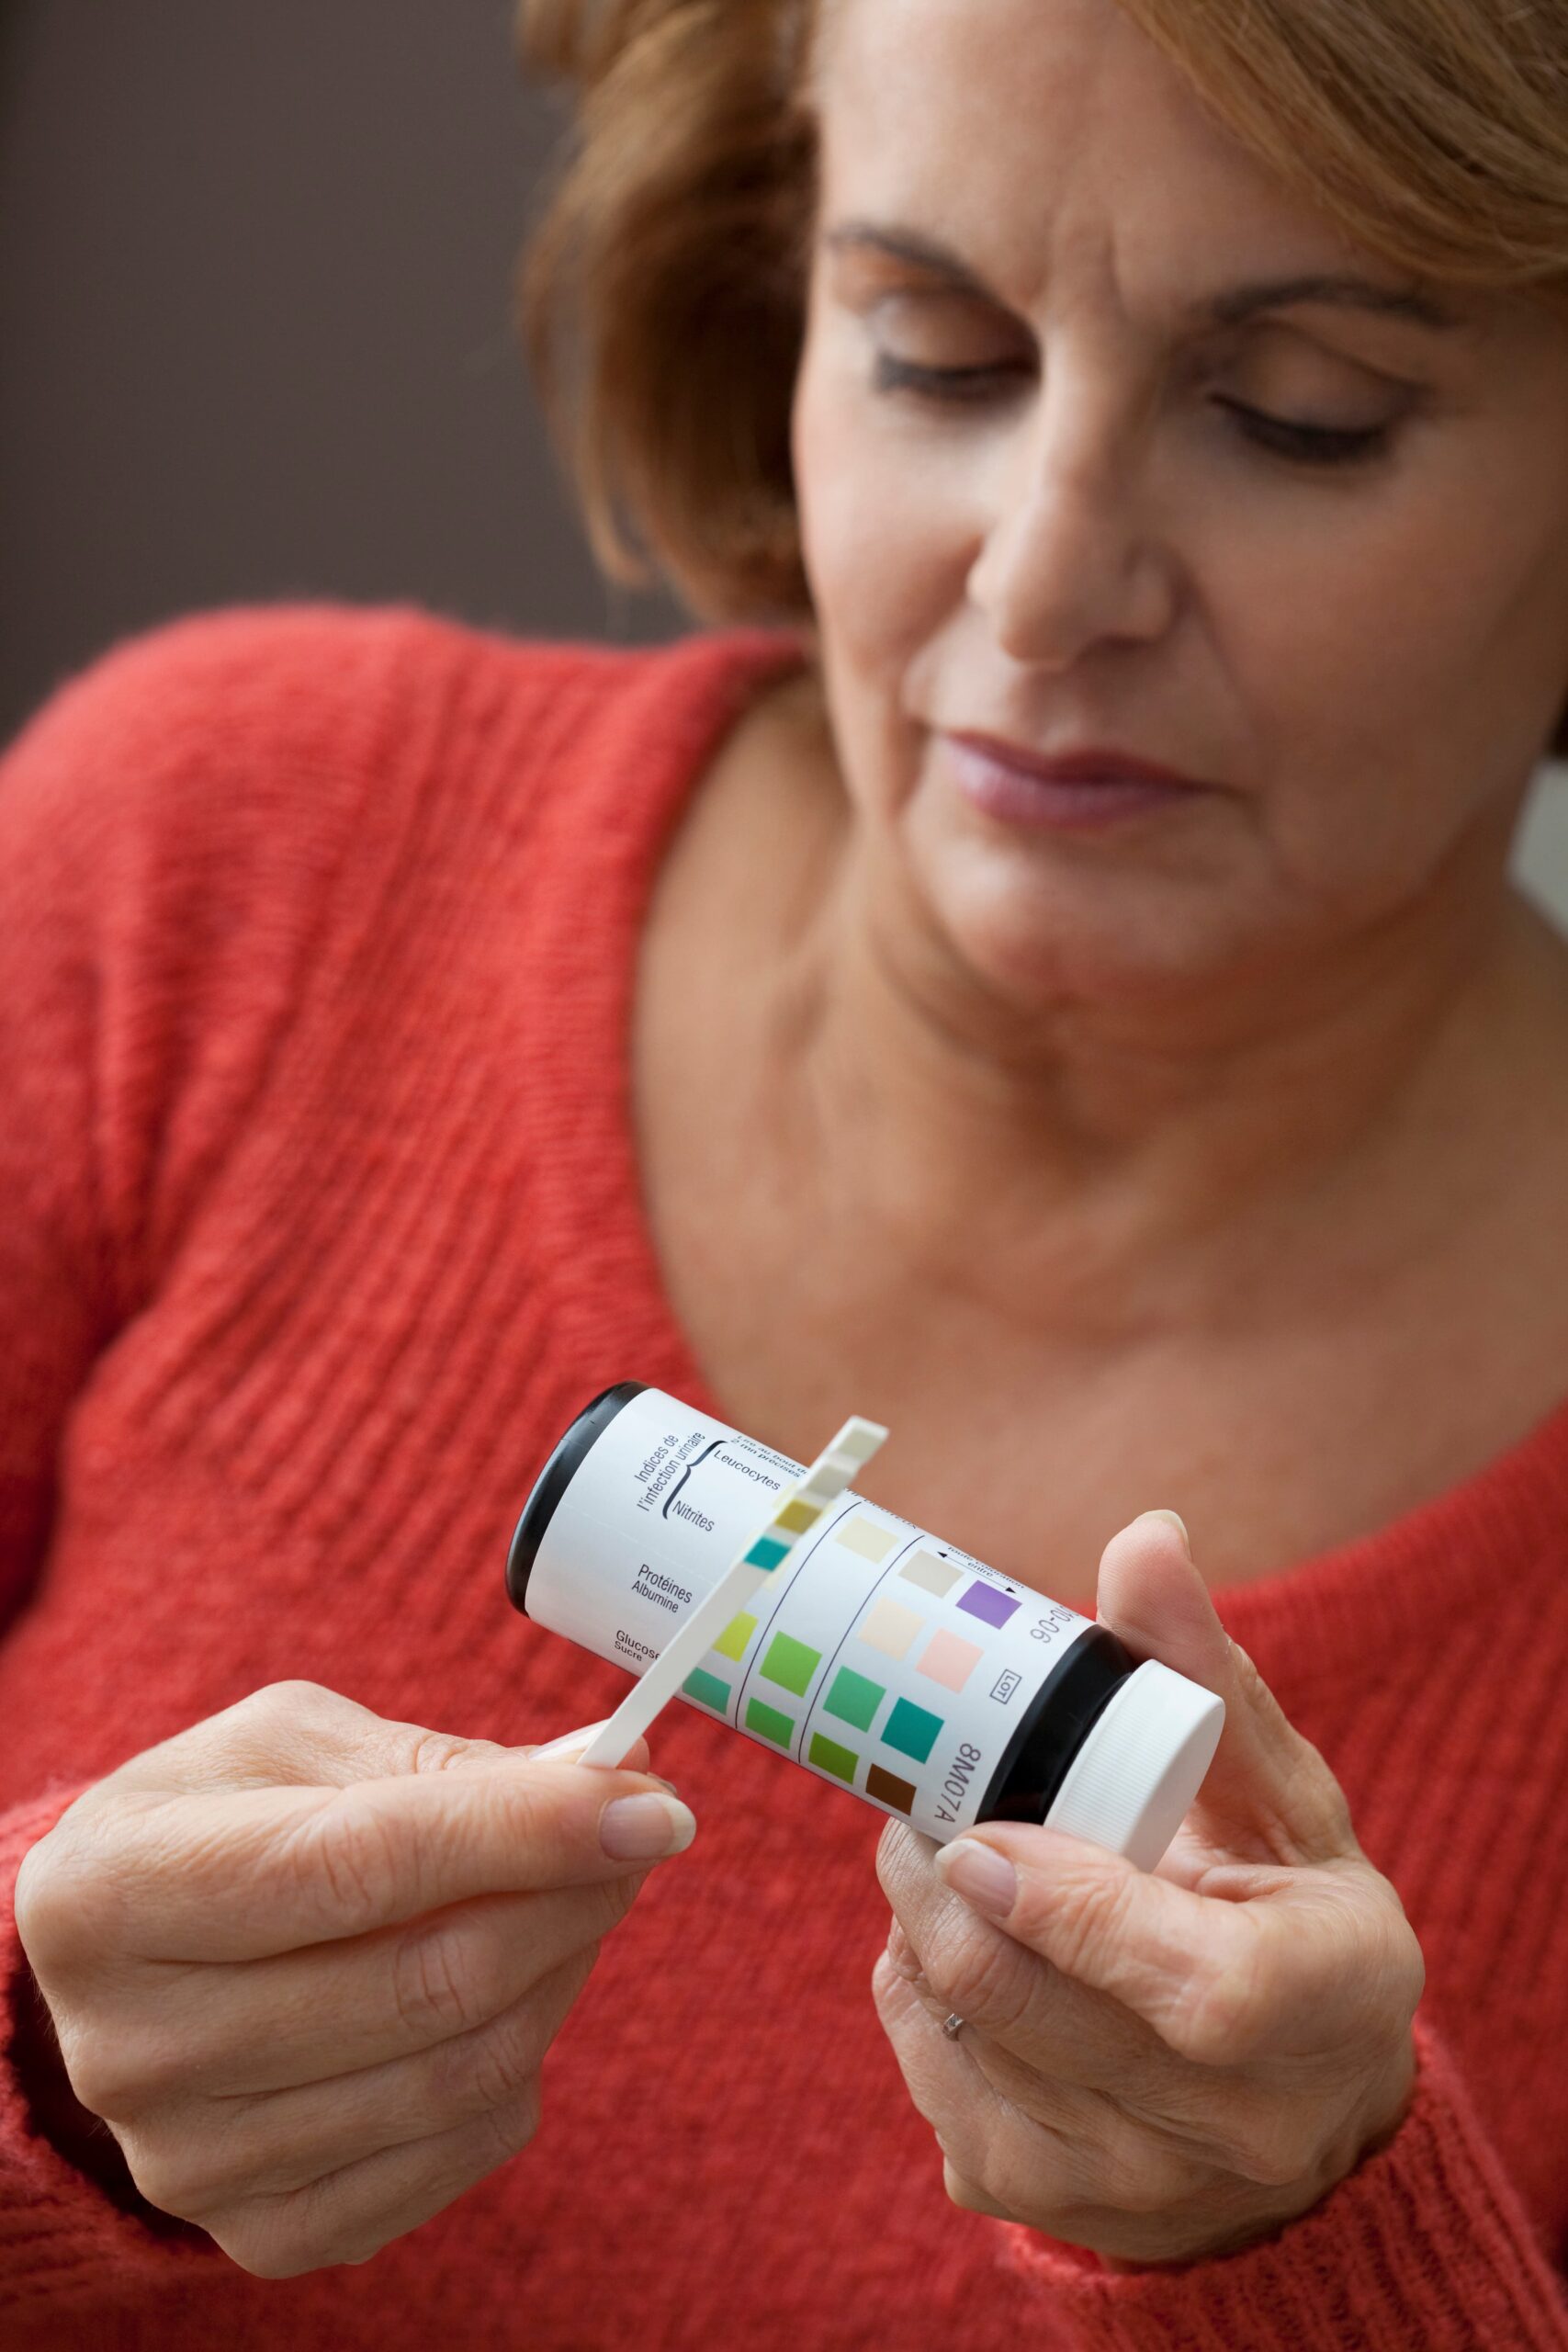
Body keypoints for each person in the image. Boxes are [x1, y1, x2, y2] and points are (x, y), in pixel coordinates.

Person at [2, 0, 1566, 2342]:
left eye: (1293, 413)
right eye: (931, 350)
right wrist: (34, 2070)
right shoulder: (205, 869)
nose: (1037, 593)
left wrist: (1316, 2241)